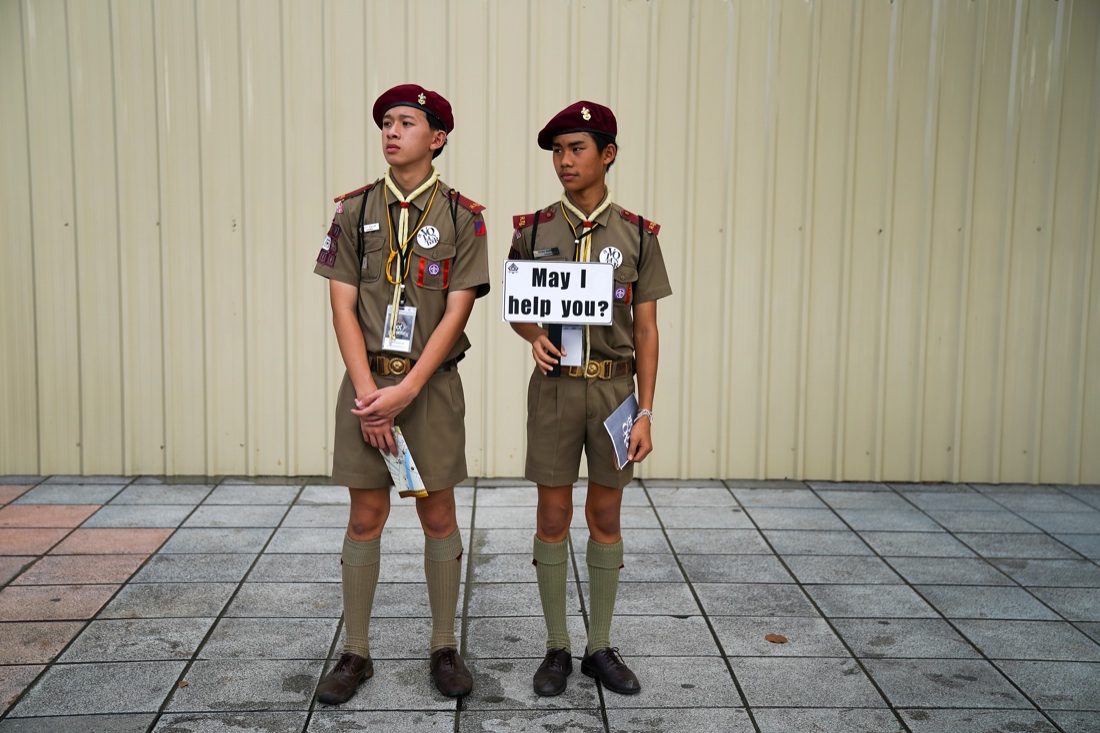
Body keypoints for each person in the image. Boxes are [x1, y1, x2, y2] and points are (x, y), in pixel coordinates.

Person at [312, 84, 489, 705]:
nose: (391, 131)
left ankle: (444, 647)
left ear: (436, 138)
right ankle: (355, 652)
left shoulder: (463, 217)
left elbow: (457, 312)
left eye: (406, 122)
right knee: (365, 517)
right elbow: (340, 303)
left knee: (436, 515)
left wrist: (406, 390)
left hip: (429, 387)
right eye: (386, 122)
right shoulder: (353, 210)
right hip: (367, 384)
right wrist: (369, 395)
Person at [508, 101, 672, 697]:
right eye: (557, 151)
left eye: (576, 149)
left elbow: (648, 330)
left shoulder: (636, 234)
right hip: (554, 391)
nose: (564, 161)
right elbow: (517, 308)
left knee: (605, 516)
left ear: (607, 154)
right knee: (552, 516)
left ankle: (599, 646)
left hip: (613, 392)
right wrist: (533, 339)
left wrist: (646, 412)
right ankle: (556, 647)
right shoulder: (532, 230)